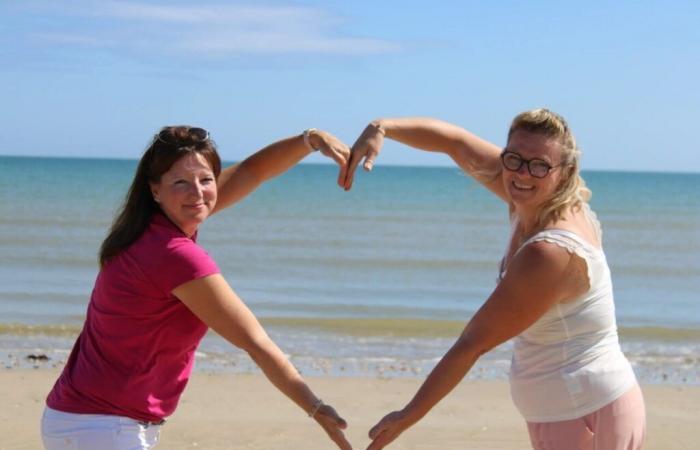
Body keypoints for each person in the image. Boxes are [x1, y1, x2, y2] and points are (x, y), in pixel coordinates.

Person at [343, 109, 646, 450]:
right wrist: (382, 127)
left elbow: (474, 343)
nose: (522, 174)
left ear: (564, 172)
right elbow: (453, 142)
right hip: (565, 410)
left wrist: (407, 416)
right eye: (513, 158)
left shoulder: (549, 252)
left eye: (539, 165)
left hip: (587, 414)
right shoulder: (529, 199)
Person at [41, 126, 353, 450]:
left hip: (88, 419)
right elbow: (256, 342)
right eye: (180, 182)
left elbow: (251, 171)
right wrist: (316, 408)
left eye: (206, 180)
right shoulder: (175, 255)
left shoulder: (150, 225)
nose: (197, 193)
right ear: (155, 190)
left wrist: (309, 141)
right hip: (104, 427)